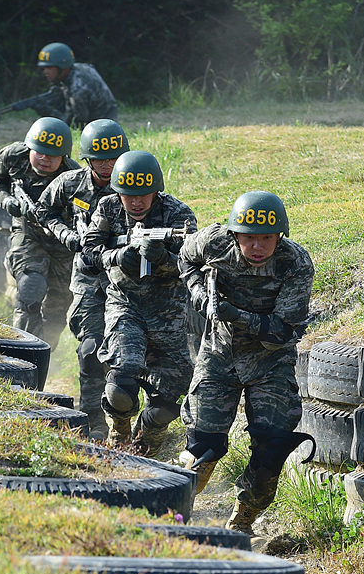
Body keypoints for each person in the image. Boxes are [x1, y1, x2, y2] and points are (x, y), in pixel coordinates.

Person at [177, 191, 315, 534]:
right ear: (234, 235)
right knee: (204, 448)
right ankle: (173, 512)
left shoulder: (294, 263)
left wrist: (235, 314)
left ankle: (243, 521)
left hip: (270, 362)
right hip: (218, 355)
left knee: (271, 450)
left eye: (266, 238)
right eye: (249, 238)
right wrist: (197, 292)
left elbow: (280, 332)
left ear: (279, 236)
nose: (257, 247)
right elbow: (185, 258)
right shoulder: (213, 242)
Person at [80, 150, 197, 452]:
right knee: (121, 384)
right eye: (128, 195)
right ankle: (120, 428)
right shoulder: (107, 209)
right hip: (125, 305)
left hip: (169, 313)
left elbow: (194, 264)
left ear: (156, 190)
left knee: (165, 407)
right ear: (117, 192)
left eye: (144, 194)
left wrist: (163, 260)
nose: (136, 202)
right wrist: (116, 256)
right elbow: (89, 251)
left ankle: (148, 436)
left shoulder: (178, 215)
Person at [38, 119, 129, 440]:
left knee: (126, 354)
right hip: (88, 277)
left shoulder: (134, 185)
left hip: (127, 280)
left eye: (113, 159)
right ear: (87, 159)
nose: (106, 166)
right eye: (99, 159)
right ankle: (94, 425)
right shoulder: (70, 183)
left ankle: (127, 420)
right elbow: (43, 209)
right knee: (90, 349)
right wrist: (63, 232)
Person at [0, 117, 80, 350]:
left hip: (63, 244)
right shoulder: (12, 157)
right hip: (28, 233)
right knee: (30, 289)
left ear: (64, 157)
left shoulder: (75, 178)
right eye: (39, 152)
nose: (45, 159)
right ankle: (18, 353)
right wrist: (6, 200)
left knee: (55, 315)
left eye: (52, 155)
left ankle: (40, 361)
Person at [33, 42, 118, 127]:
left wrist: (50, 112)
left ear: (63, 66)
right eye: (44, 68)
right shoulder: (81, 68)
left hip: (102, 126)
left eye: (50, 67)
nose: (45, 72)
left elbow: (77, 126)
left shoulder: (78, 90)